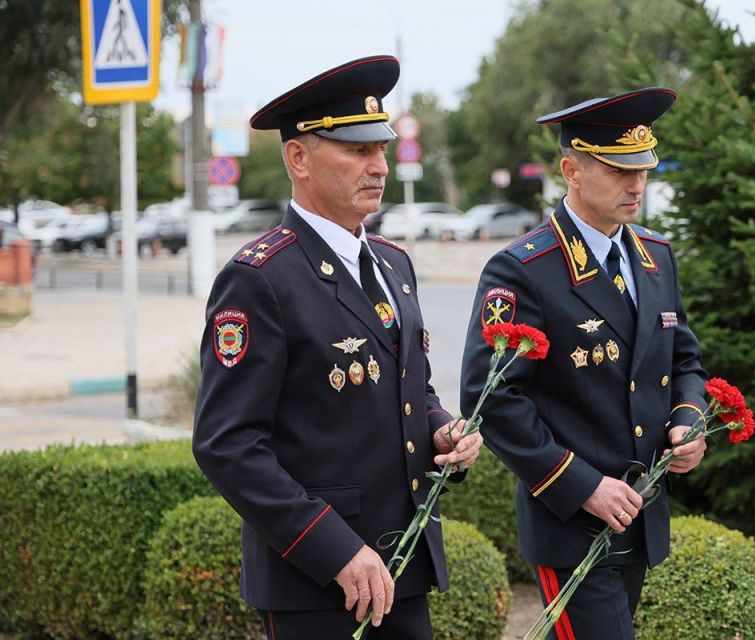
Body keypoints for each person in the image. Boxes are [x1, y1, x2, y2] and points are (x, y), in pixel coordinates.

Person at [193, 55, 482, 640]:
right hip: (317, 581)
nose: (377, 165)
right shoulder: (261, 278)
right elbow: (227, 444)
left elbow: (409, 390)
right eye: (356, 150)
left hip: (402, 563)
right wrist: (333, 551)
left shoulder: (394, 265)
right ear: (297, 157)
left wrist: (442, 430)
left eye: (380, 148)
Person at [460, 88, 708, 639]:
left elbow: (684, 357)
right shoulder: (523, 270)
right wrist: (584, 486)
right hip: (572, 522)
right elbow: (489, 397)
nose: (637, 184)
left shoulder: (655, 256)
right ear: (571, 169)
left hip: (639, 514)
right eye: (619, 169)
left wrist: (689, 420)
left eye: (642, 169)